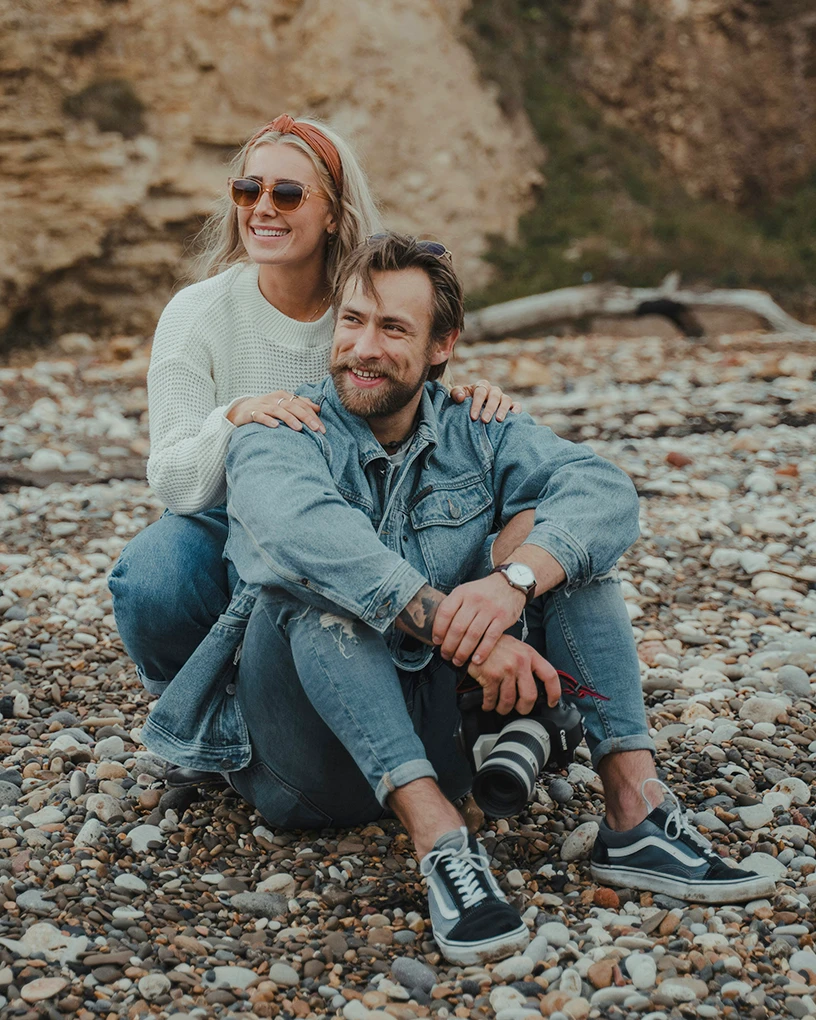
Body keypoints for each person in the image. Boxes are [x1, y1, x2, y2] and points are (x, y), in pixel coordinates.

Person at [141, 233, 774, 966]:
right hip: (310, 765)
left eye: (393, 328)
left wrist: (516, 582)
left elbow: (603, 490)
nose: (363, 348)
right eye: (351, 322)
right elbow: (305, 536)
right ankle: (441, 841)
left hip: (440, 723)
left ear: (443, 346)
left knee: (572, 560)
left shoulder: (476, 423)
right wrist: (459, 624)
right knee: (314, 597)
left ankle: (635, 814)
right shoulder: (283, 431)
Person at [108, 114, 518, 700]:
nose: (263, 207)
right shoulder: (195, 314)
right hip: (223, 524)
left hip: (352, 518)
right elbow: (171, 480)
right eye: (248, 190)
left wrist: (469, 398)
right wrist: (234, 418)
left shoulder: (362, 311)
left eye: (288, 193)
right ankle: (193, 704)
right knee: (151, 575)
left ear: (333, 212)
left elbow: (411, 386)